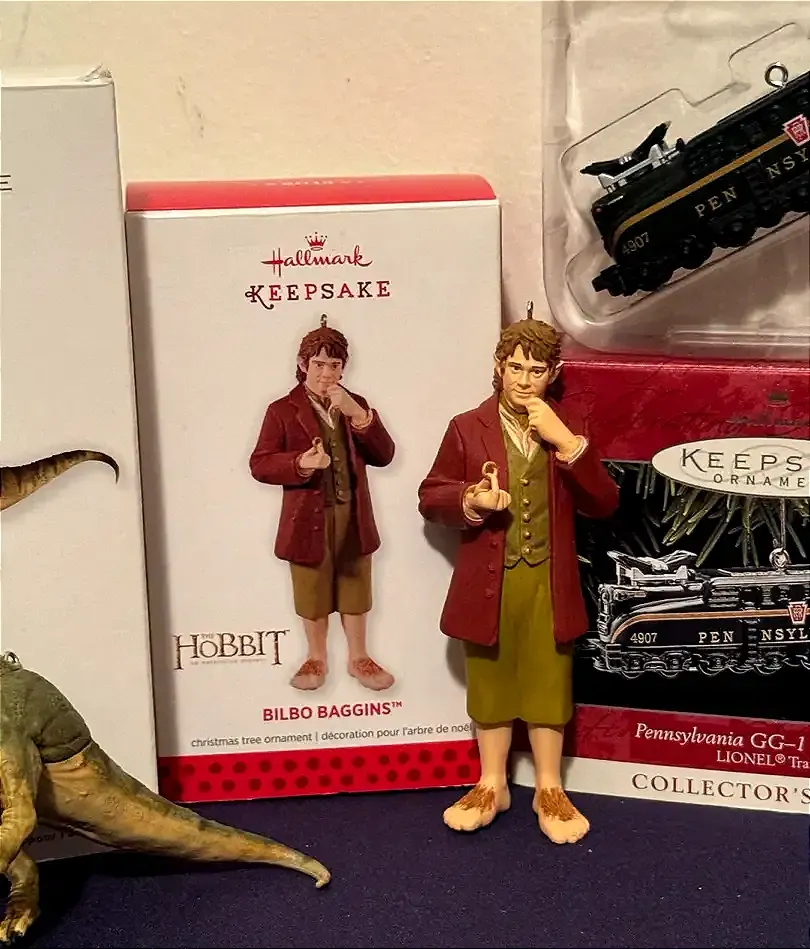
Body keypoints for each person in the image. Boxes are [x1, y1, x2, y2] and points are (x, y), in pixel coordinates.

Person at [417, 306, 619, 844]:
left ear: (553, 373)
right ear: (498, 366)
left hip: (549, 582)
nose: (524, 380)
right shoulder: (467, 426)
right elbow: (431, 496)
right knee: (490, 679)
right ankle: (492, 782)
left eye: (536, 370)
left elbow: (603, 503)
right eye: (515, 368)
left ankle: (549, 786)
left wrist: (568, 445)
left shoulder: (569, 426)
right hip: (490, 582)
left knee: (549, 679)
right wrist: (471, 499)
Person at [250, 315, 395, 693]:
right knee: (311, 588)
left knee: (355, 584)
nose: (326, 373)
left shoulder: (355, 406)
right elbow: (260, 463)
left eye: (334, 364)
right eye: (318, 364)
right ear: (303, 365)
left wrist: (358, 415)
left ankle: (359, 656)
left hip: (352, 513)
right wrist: (299, 462)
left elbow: (384, 455)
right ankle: (316, 656)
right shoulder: (282, 410)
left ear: (343, 368)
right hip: (306, 518)